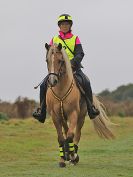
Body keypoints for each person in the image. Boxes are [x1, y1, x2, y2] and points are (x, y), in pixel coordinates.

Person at [33, 14, 100, 123]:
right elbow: (49, 53)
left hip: (73, 68)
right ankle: (42, 112)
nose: (65, 26)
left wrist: (72, 63)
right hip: (57, 68)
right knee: (43, 85)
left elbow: (80, 53)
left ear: (70, 26)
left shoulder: (75, 38)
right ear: (59, 26)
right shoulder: (54, 39)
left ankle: (91, 108)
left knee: (86, 81)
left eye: (67, 24)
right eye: (63, 24)